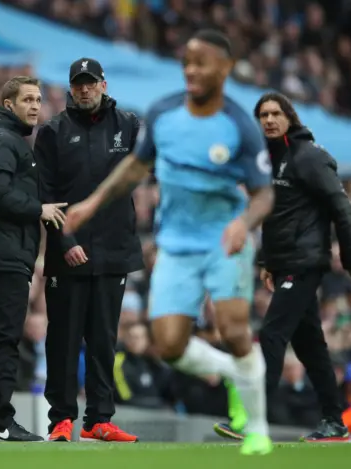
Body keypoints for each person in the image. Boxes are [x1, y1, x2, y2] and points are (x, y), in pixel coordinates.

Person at [63, 29, 275, 456]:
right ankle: (237, 373)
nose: (191, 71)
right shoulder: (162, 113)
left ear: (225, 68)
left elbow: (265, 193)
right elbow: (136, 168)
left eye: (201, 63)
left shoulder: (238, 125)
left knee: (234, 330)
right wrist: (91, 203)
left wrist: (244, 224)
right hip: (176, 245)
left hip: (224, 241)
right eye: (187, 64)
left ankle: (258, 429)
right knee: (170, 346)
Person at [214, 92, 351, 443]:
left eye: (275, 113)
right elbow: (277, 216)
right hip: (286, 264)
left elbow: (342, 208)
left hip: (305, 263)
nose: (269, 120)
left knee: (271, 334)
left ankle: (250, 419)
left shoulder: (309, 157)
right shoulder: (270, 160)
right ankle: (335, 423)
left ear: (290, 117)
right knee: (311, 346)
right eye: (263, 115)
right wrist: (268, 261)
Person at [33, 58, 142, 443]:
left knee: (103, 340)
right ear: (70, 88)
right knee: (63, 338)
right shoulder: (53, 132)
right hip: (69, 253)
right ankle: (61, 419)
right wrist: (66, 242)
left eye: (90, 83)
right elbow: (45, 195)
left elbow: (148, 169)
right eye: (78, 84)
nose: (84, 89)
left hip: (114, 251)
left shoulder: (128, 126)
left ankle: (99, 419)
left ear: (103, 85)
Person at [0, 76, 67, 443]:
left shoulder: (1, 139)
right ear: (8, 105)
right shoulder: (4, 141)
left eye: (39, 99)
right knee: (2, 338)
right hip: (2, 253)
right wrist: (40, 208)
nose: (36, 106)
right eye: (27, 100)